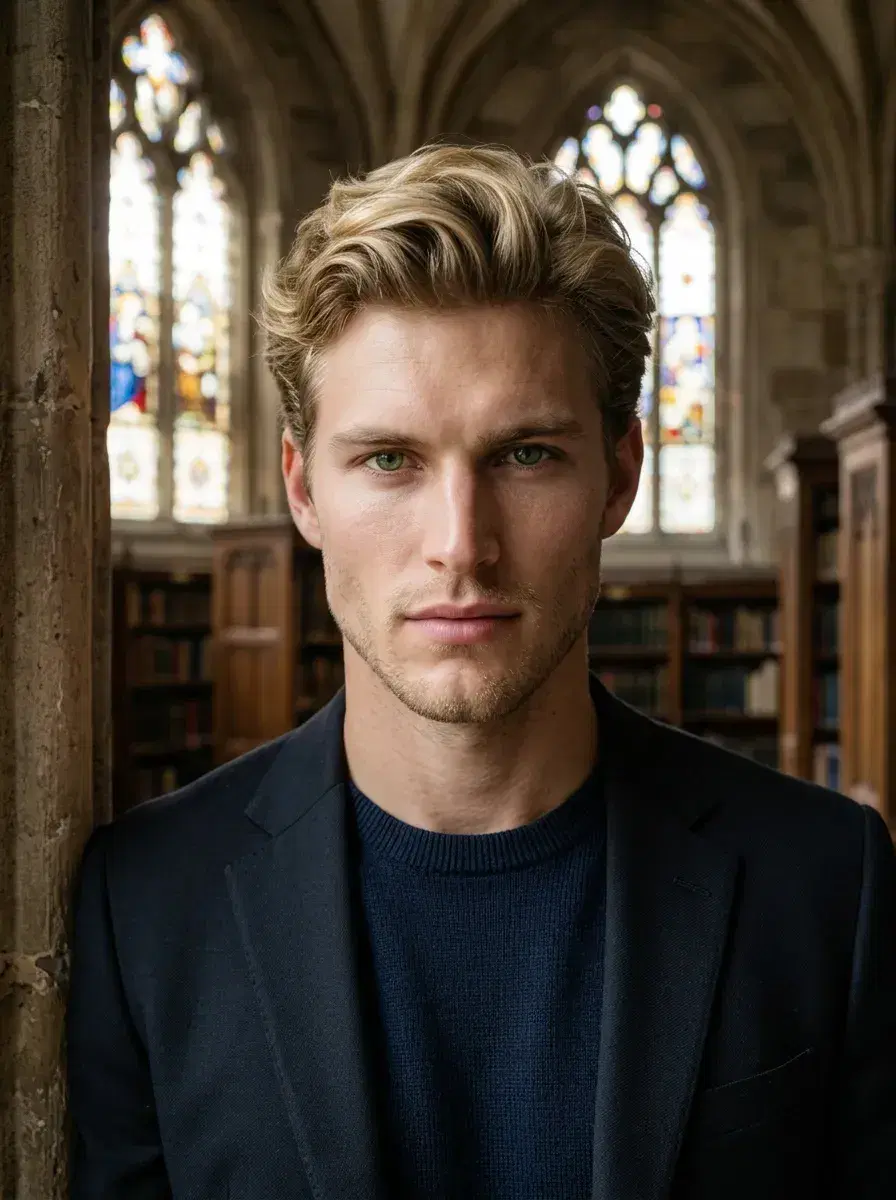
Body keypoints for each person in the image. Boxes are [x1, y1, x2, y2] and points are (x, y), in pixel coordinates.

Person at [67, 143, 896, 1200]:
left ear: (619, 477)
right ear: (302, 489)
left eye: (524, 455)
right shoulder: (143, 904)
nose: (460, 544)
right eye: (387, 460)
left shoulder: (826, 884)